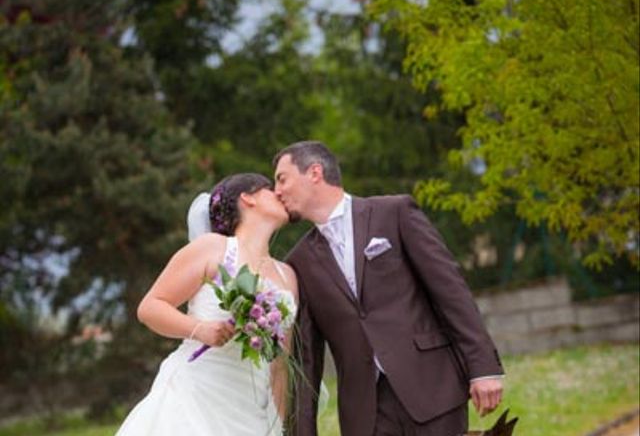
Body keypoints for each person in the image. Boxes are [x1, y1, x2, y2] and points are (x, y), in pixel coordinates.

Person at [273, 141, 504, 436]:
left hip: (432, 388)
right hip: (366, 413)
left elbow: (451, 292)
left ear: (315, 172)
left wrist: (483, 367)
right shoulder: (299, 261)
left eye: (282, 178)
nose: (277, 191)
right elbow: (307, 357)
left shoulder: (393, 213)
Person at [116, 173, 298, 436]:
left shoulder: (287, 276)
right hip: (196, 393)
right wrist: (200, 329)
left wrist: (278, 426)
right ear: (248, 198)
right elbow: (150, 307)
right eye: (271, 189)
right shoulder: (213, 248)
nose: (280, 194)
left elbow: (281, 364)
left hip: (251, 407)